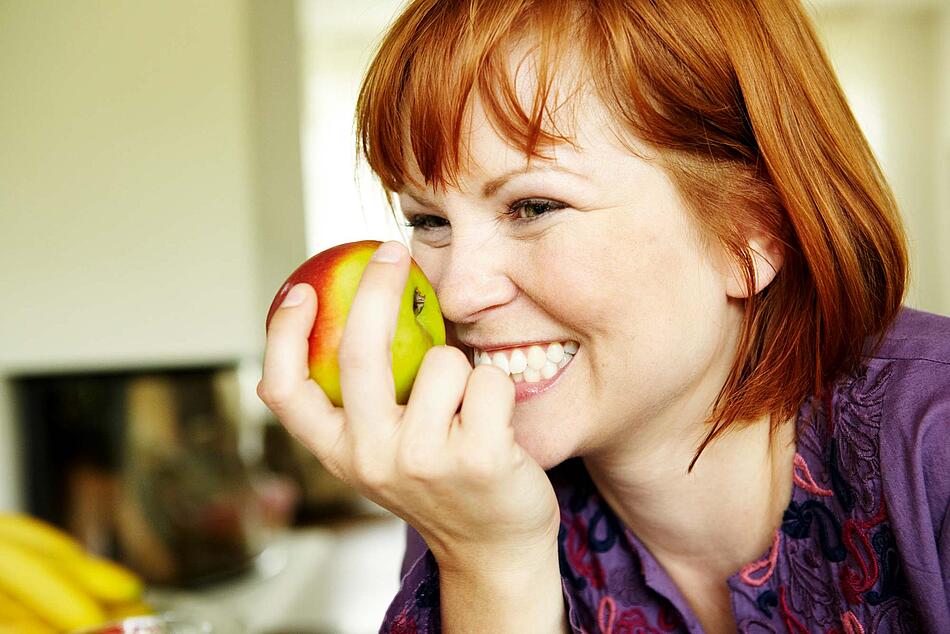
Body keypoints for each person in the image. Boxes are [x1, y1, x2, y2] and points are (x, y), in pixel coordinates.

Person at [258, 0, 950, 631]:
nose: (457, 296)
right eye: (428, 220)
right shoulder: (469, 483)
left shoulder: (934, 440)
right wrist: (490, 565)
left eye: (533, 207)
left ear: (751, 233)